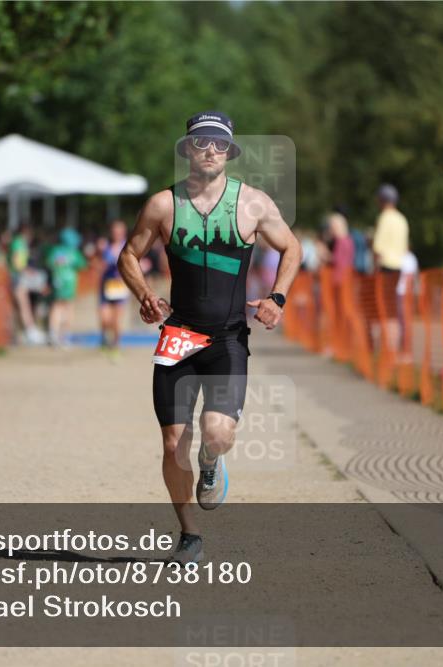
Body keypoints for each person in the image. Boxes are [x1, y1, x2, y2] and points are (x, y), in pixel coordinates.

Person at [118, 110, 301, 564]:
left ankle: (211, 462)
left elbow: (291, 247)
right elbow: (128, 254)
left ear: (230, 152)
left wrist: (277, 296)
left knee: (215, 433)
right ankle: (189, 534)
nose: (211, 150)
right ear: (187, 150)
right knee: (170, 442)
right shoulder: (164, 204)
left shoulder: (252, 204)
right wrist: (143, 294)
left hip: (227, 339)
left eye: (219, 144)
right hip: (178, 335)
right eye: (202, 143)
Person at [46, 227, 87, 347]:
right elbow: (83, 265)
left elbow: (49, 263)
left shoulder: (55, 250)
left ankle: (53, 333)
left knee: (56, 307)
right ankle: (65, 336)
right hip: (69, 283)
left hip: (57, 282)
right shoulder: (74, 252)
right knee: (68, 308)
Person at [98, 219, 131, 351]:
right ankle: (105, 338)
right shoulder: (104, 245)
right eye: (114, 231)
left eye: (119, 231)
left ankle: (116, 344)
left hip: (120, 285)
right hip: (106, 285)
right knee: (105, 317)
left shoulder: (128, 246)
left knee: (116, 319)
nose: (116, 233)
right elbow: (97, 264)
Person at [372, 184, 408, 275]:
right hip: (399, 266)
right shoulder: (402, 219)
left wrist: (375, 268)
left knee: (382, 290)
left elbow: (377, 247)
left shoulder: (384, 217)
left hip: (385, 266)